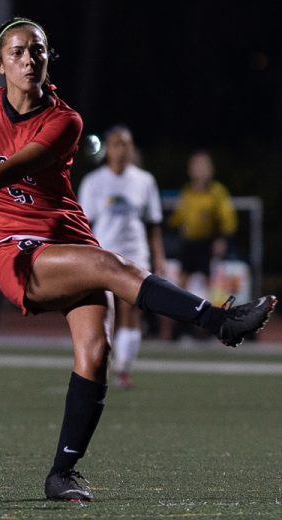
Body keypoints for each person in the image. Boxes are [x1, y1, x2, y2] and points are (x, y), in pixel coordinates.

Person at [0, 17, 276, 503]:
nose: (28, 59)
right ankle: (219, 322)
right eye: (17, 52)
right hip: (12, 247)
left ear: (48, 58)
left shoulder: (64, 120)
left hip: (67, 241)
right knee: (110, 267)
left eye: (36, 50)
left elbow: (9, 169)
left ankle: (62, 473)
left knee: (96, 353)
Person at [78, 125, 165, 389]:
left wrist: (158, 258)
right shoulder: (93, 182)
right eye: (116, 144)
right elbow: (84, 224)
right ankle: (102, 362)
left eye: (125, 144)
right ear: (107, 149)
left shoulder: (144, 180)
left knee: (131, 309)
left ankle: (124, 367)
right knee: (106, 312)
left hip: (135, 254)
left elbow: (153, 224)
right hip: (104, 254)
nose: (121, 149)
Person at [167, 151, 238, 339]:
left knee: (211, 286)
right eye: (196, 166)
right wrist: (175, 222)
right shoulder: (188, 191)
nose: (199, 170)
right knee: (181, 286)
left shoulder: (217, 192)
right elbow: (179, 216)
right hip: (188, 244)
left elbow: (227, 218)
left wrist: (222, 239)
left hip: (207, 244)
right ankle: (179, 327)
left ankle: (213, 325)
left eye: (203, 166)